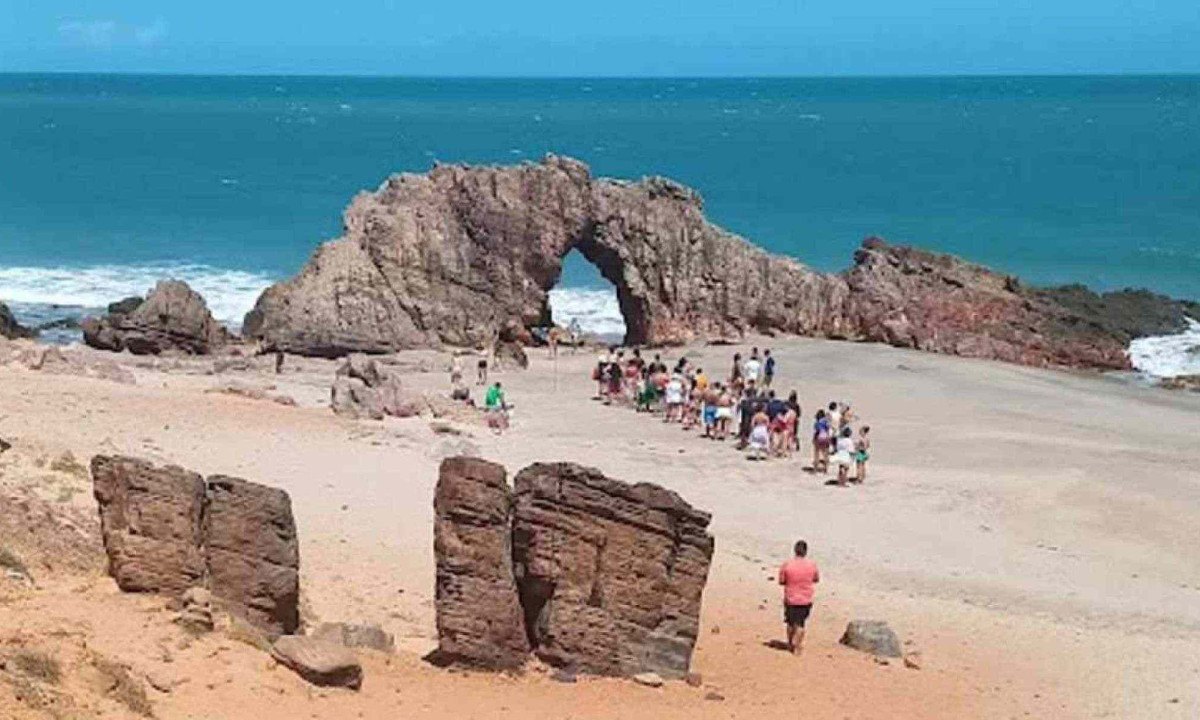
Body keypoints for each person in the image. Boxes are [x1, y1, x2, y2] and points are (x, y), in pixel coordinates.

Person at [778, 540, 820, 655]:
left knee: (790, 622)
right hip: (806, 599)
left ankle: (790, 643)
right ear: (806, 552)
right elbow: (816, 579)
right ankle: (797, 646)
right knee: (801, 623)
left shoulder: (787, 565)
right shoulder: (812, 565)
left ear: (795, 550)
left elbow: (781, 581)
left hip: (791, 598)